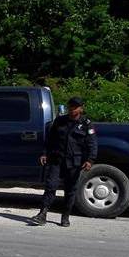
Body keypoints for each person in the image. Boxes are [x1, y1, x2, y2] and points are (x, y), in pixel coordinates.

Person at [30, 96, 98, 227]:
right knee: (50, 186)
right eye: (70, 107)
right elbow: (50, 139)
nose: (72, 109)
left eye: (75, 107)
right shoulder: (60, 121)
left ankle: (65, 216)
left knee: (70, 190)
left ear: (81, 108)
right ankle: (42, 214)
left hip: (74, 162)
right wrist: (44, 153)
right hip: (57, 159)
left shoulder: (86, 124)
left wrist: (90, 160)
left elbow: (92, 143)